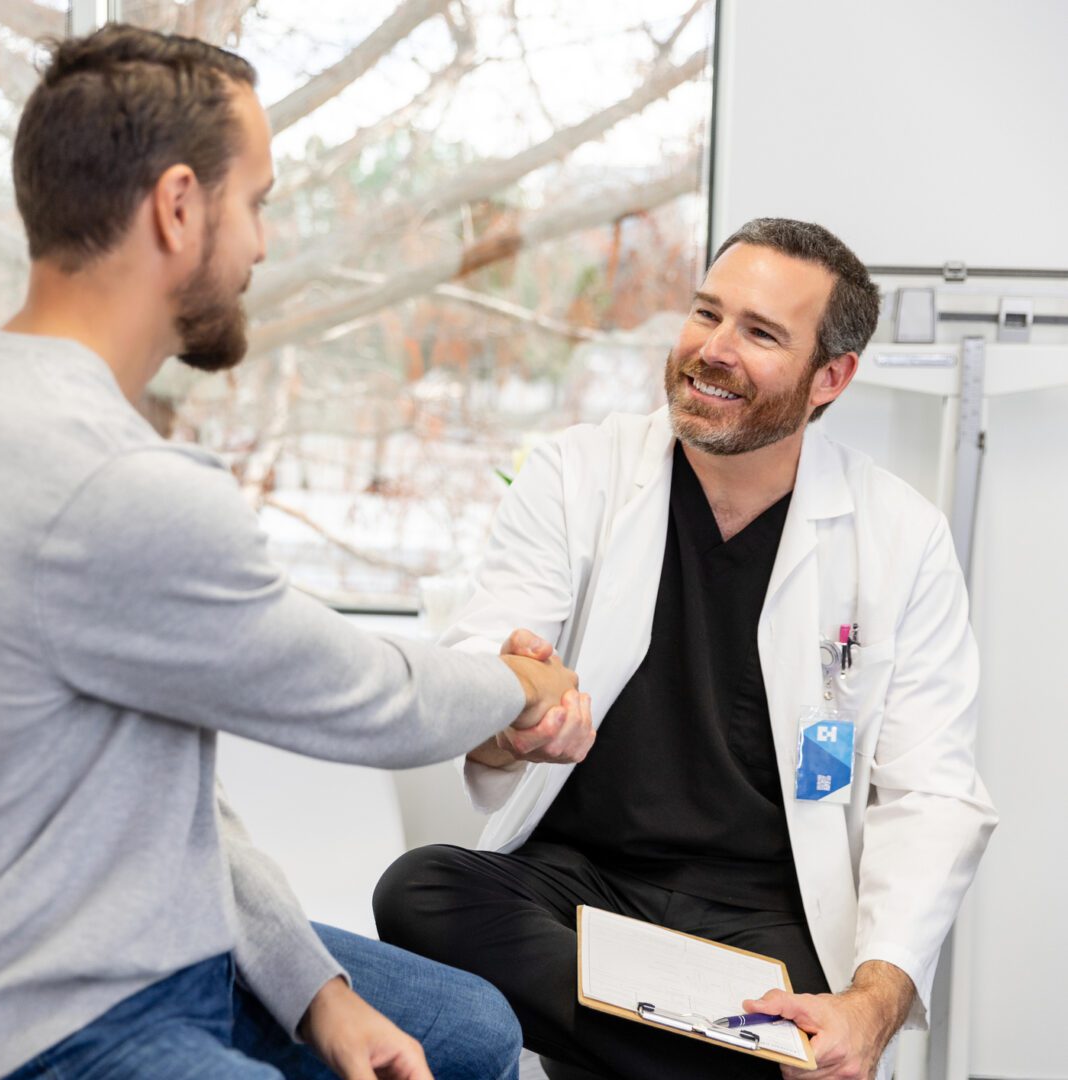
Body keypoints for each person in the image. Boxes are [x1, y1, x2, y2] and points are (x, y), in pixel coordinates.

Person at [0, 25, 592, 1080]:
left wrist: (318, 996)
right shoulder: (104, 480)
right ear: (179, 206)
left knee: (471, 1033)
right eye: (259, 201)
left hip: (135, 946)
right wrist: (521, 684)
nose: (264, 245)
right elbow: (365, 696)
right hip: (26, 1020)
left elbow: (167, 799)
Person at [373, 218, 998, 1080]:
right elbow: (489, 656)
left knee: (816, 1005)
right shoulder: (578, 475)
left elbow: (933, 795)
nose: (714, 349)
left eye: (761, 333)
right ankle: (741, 1064)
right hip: (584, 887)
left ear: (832, 378)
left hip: (767, 911)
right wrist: (507, 720)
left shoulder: (901, 538)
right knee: (421, 892)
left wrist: (873, 1003)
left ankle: (717, 1048)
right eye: (707, 313)